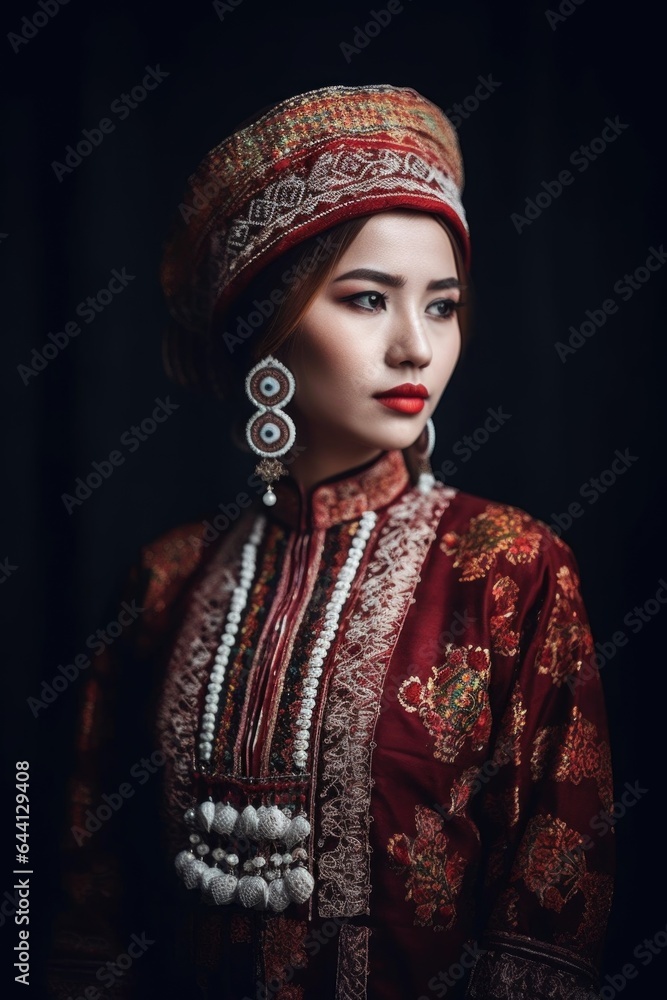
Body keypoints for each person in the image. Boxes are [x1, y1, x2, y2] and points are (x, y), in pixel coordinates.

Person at [47, 84, 615, 1000]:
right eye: (364, 299)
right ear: (267, 326)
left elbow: (546, 921)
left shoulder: (510, 568)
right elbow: (81, 904)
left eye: (441, 305)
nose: (414, 349)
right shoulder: (167, 578)